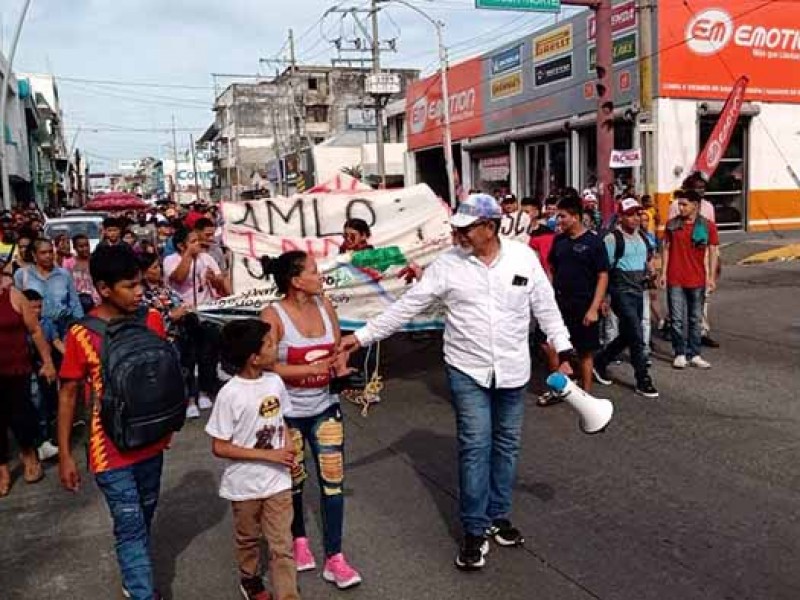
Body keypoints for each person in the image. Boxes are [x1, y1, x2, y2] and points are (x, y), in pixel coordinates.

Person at [340, 194, 574, 571]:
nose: (459, 234)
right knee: (475, 445)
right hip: (467, 369)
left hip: (513, 370)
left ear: (491, 227)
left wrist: (564, 351)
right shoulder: (447, 265)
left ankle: (498, 515)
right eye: (458, 227)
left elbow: (546, 307)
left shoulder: (522, 258)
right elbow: (407, 306)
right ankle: (474, 529)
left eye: (467, 228)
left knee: (507, 446)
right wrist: (362, 337)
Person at [58, 244, 170, 600]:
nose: (139, 292)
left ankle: (134, 573)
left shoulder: (152, 319)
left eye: (140, 284)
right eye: (130, 286)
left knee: (143, 516)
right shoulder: (81, 333)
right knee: (130, 526)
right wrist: (65, 454)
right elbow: (68, 395)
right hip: (109, 452)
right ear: (104, 289)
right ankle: (141, 591)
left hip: (152, 442)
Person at [260, 251, 362, 590]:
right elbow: (265, 365)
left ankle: (336, 556)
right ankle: (299, 540)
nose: (321, 278)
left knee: (333, 482)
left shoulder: (325, 306)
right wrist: (309, 369)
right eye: (315, 272)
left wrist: (342, 369)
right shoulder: (272, 316)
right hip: (288, 415)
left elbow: (337, 351)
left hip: (325, 408)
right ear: (295, 280)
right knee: (295, 481)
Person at [206, 319, 301, 600]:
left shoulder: (274, 382)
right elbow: (219, 446)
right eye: (270, 344)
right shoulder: (229, 394)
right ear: (254, 357)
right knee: (248, 538)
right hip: (244, 484)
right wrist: (268, 454)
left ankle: (288, 594)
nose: (277, 347)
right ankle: (250, 579)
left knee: (282, 543)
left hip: (277, 482)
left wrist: (287, 450)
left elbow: (280, 420)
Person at [0, 257, 57, 496]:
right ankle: (2, 468)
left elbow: (35, 330)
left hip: (16, 368)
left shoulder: (13, 294)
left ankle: (29, 454)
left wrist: (48, 362)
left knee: (21, 415)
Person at [592, 199, 659, 398]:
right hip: (621, 290)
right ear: (620, 217)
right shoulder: (613, 239)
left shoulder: (644, 238)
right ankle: (643, 379)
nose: (635, 219)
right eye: (630, 214)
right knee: (637, 335)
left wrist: (651, 271)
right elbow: (603, 270)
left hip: (639, 290)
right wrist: (603, 298)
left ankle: (601, 361)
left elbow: (648, 260)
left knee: (629, 334)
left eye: (638, 214)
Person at [163, 228, 229, 410]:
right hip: (184, 315)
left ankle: (204, 390)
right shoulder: (170, 260)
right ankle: (190, 397)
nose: (197, 244)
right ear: (181, 245)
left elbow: (221, 284)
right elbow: (178, 277)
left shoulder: (206, 258)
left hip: (205, 313)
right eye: (192, 241)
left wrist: (213, 279)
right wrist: (188, 256)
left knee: (207, 355)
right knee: (187, 357)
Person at [549, 195, 609, 392]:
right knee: (554, 346)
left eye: (562, 216)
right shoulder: (559, 241)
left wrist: (594, 308)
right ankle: (559, 389)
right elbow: (552, 269)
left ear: (575, 217)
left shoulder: (594, 242)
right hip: (560, 304)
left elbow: (603, 276)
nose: (558, 221)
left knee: (585, 352)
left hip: (584, 305)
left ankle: (586, 393)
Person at [660, 190, 719, 369]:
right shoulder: (672, 225)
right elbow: (666, 249)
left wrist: (711, 277)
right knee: (676, 319)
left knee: (695, 319)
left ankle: (695, 353)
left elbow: (713, 251)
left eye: (685, 204)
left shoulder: (707, 226)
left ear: (695, 205)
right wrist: (663, 273)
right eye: (680, 204)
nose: (681, 207)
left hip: (697, 278)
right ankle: (679, 353)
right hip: (675, 278)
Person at [139, 252, 199, 419]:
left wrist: (183, 310)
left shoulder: (165, 289)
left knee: (187, 367)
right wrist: (171, 316)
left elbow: (180, 303)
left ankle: (191, 400)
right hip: (160, 340)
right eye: (154, 267)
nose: (159, 270)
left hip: (180, 335)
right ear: (144, 272)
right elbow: (149, 317)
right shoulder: (142, 295)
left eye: (159, 266)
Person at [14, 238, 84, 339]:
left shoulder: (64, 275)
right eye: (43, 253)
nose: (48, 256)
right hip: (34, 332)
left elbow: (75, 304)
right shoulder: (22, 275)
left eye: (50, 252)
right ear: (34, 254)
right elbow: (17, 307)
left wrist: (79, 329)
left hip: (62, 330)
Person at [22, 288, 63, 460]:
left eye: (39, 307)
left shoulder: (46, 323)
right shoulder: (19, 326)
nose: (37, 311)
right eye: (32, 308)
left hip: (44, 366)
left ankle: (44, 440)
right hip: (24, 368)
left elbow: (56, 342)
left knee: (43, 403)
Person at [63, 234, 101, 314]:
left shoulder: (96, 260)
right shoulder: (69, 262)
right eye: (81, 246)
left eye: (87, 245)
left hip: (96, 300)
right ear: (74, 248)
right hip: (76, 300)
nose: (85, 249)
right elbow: (66, 283)